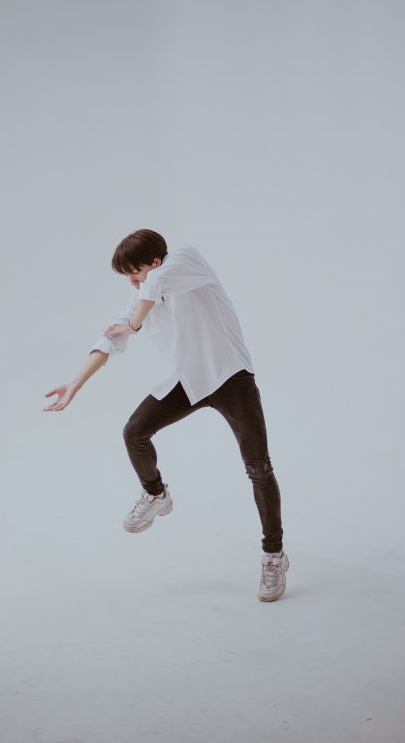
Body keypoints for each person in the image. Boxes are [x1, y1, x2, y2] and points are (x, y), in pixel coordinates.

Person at [43, 229, 289, 602]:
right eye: (127, 275)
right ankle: (156, 494)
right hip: (188, 381)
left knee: (259, 468)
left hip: (231, 376)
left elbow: (153, 287)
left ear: (156, 261)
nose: (132, 281)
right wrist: (75, 384)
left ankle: (274, 556)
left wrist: (134, 324)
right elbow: (109, 339)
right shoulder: (142, 296)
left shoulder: (187, 259)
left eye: (135, 271)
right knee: (134, 432)